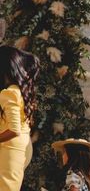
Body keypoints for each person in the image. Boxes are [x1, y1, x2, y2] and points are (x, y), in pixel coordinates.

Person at [0, 45, 39, 191]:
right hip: (22, 145)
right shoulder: (19, 90)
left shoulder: (8, 93)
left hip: (11, 148)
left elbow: (13, 130)